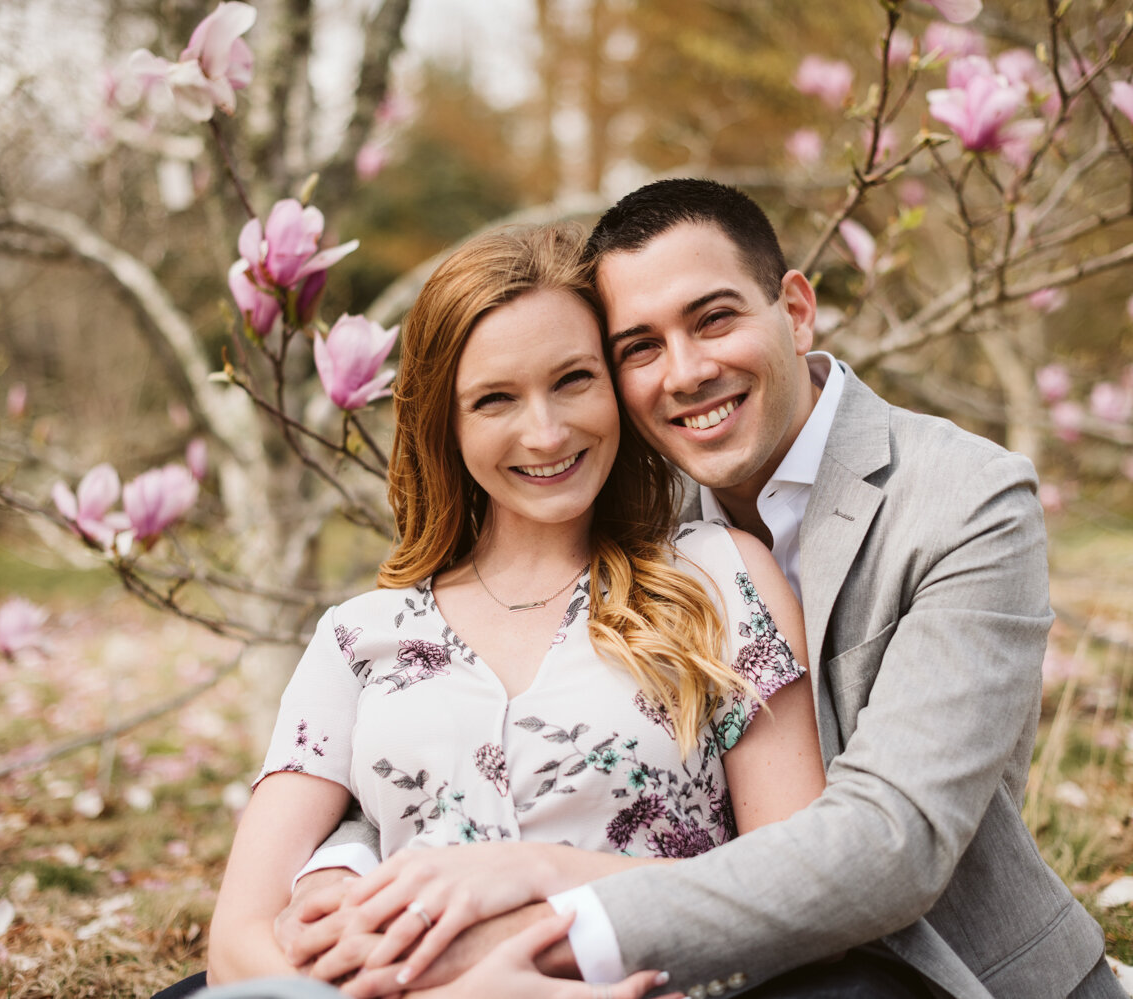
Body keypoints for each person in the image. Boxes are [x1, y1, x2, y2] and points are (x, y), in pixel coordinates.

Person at [279, 180, 1125, 999]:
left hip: (929, 963)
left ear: (794, 311)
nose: (683, 373)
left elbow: (891, 844)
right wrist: (347, 863)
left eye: (714, 319)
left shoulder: (963, 499)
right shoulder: (631, 508)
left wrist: (535, 904)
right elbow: (452, 742)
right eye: (639, 347)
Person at [172, 222, 827, 998]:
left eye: (574, 379)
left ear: (615, 384)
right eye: (494, 399)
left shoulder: (720, 579)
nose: (546, 431)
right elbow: (239, 948)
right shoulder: (358, 637)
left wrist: (546, 909)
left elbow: (800, 885)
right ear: (444, 424)